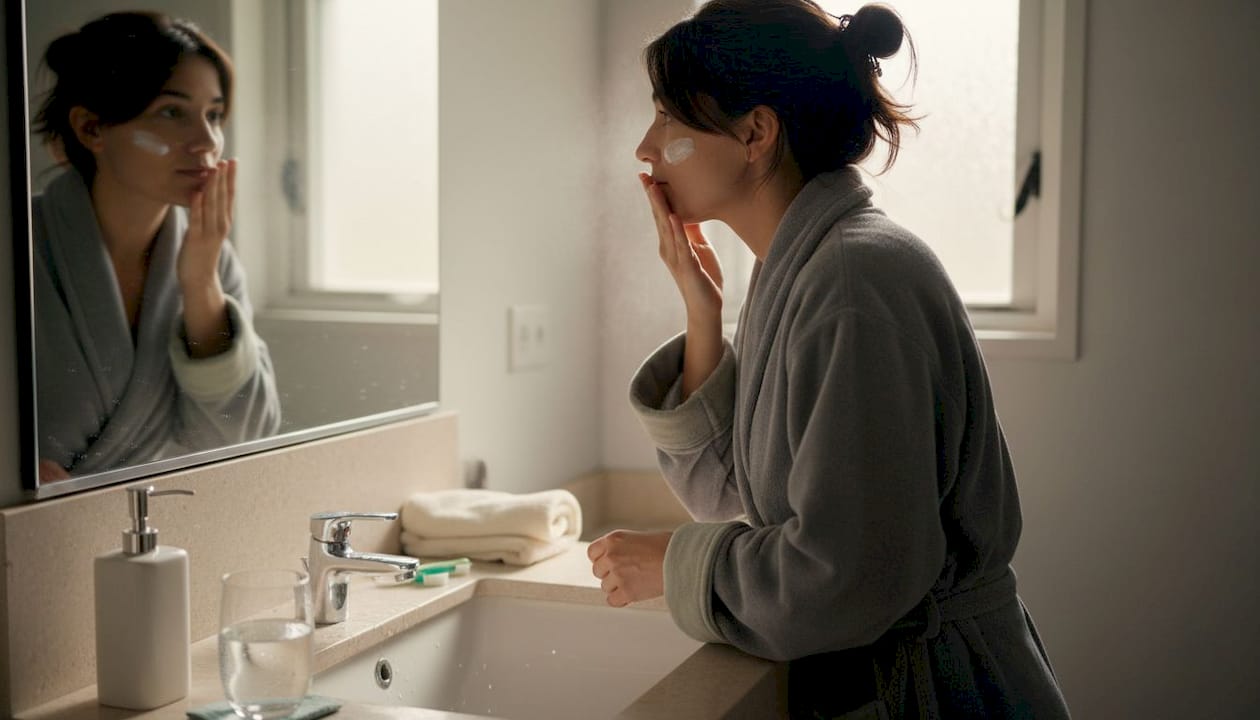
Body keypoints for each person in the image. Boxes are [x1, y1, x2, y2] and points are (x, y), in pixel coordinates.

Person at [586, 1, 1072, 716]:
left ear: (756, 132)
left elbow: (844, 576)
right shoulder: (805, 268)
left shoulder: (853, 281)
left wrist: (671, 563)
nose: (645, 148)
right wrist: (701, 311)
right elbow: (742, 499)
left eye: (668, 117)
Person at [31, 11, 281, 483]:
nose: (207, 141)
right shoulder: (18, 250)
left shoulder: (213, 260)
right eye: (172, 112)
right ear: (91, 129)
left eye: (214, 115)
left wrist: (201, 283)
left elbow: (238, 445)